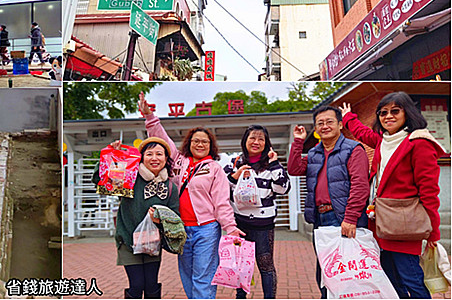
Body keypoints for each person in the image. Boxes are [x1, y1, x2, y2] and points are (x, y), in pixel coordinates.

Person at [138, 92, 243, 299]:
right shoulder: (178, 160)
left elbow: (221, 203)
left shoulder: (214, 168)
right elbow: (161, 138)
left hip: (207, 229)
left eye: (205, 142)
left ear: (211, 146)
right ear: (189, 143)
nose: (200, 144)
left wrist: (230, 228)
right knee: (186, 274)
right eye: (196, 141)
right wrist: (149, 117)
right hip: (180, 229)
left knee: (203, 275)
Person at [340, 93, 443, 298]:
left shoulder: (419, 143)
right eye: (383, 112)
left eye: (395, 111)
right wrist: (348, 117)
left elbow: (429, 191)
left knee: (411, 279)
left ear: (408, 113)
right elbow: (362, 133)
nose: (388, 116)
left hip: (405, 225)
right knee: (390, 279)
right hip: (381, 223)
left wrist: (433, 231)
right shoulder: (383, 140)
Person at [287, 105, 370, 299]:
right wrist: (298, 142)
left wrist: (350, 218)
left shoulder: (353, 149)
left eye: (329, 122)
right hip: (320, 219)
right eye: (320, 123)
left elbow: (360, 185)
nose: (325, 126)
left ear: (340, 125)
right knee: (326, 272)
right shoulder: (314, 153)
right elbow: (294, 169)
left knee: (349, 273)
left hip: (343, 218)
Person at [92, 137, 180, 299]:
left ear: (166, 159)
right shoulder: (129, 178)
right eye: (149, 154)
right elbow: (100, 181)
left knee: (152, 285)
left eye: (159, 154)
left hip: (153, 243)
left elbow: (176, 217)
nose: (154, 158)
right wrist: (112, 154)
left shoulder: (170, 187)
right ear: (142, 157)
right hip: (128, 241)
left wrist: (161, 219)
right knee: (137, 284)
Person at [223, 125, 290, 299]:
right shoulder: (234, 163)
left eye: (261, 139)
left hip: (263, 226)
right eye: (252, 138)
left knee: (266, 265)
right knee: (241, 265)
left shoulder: (272, 165)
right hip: (240, 224)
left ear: (267, 143)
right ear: (245, 140)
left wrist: (274, 163)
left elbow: (283, 188)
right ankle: (240, 297)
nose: (256, 142)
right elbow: (222, 189)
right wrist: (235, 175)